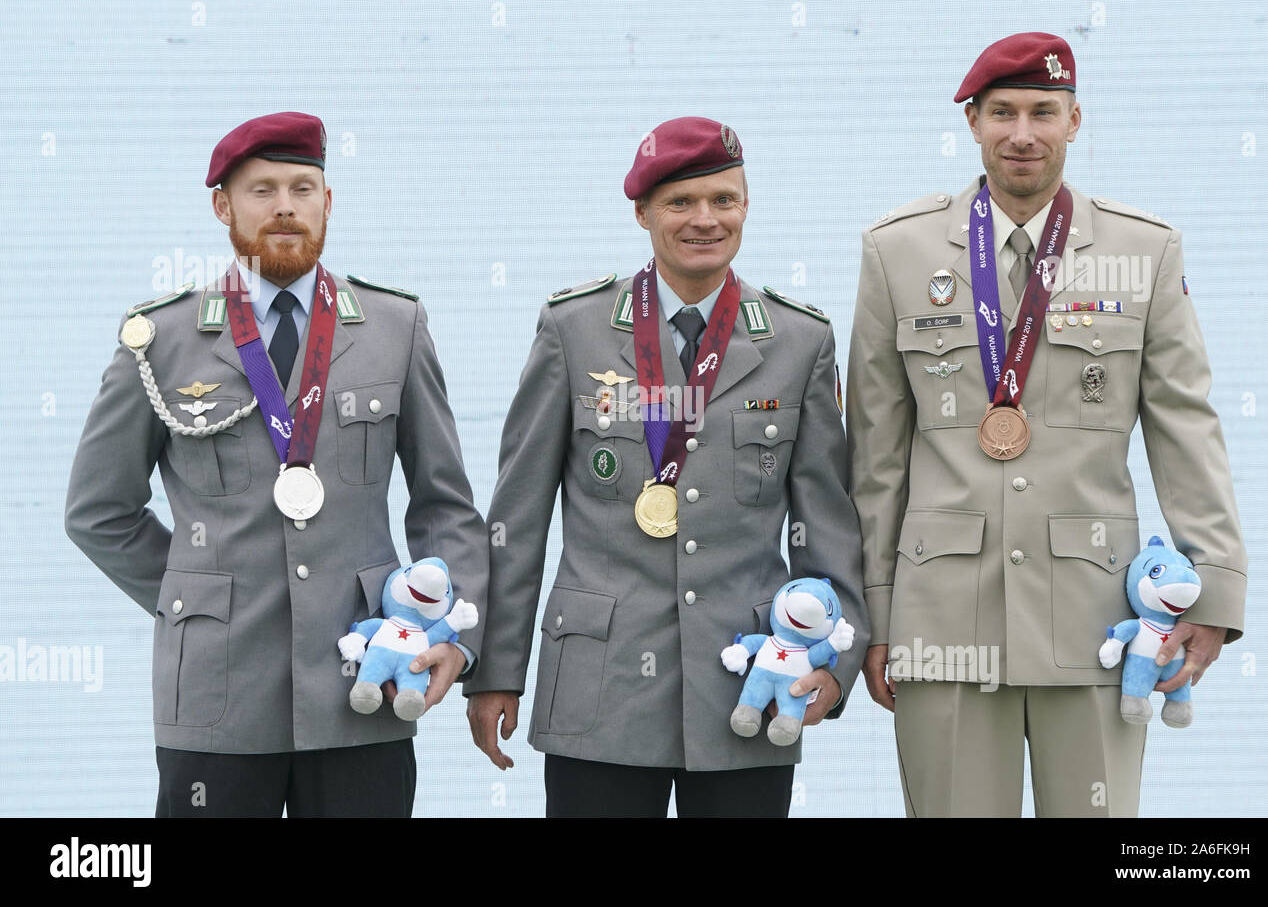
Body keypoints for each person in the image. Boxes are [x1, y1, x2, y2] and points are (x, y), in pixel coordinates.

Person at [846, 32, 1247, 817]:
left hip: (1095, 618)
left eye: (1042, 111)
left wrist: (1216, 592)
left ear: (1074, 119)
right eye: (1002, 113)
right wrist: (875, 609)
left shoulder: (1144, 249)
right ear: (972, 122)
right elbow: (876, 453)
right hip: (941, 620)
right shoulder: (898, 249)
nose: (1022, 133)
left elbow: (1184, 429)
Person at [65, 112, 488, 817]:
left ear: (329, 202)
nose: (286, 205)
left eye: (303, 186)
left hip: (364, 683)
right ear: (222, 206)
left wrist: (453, 634)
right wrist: (193, 603)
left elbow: (445, 505)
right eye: (262, 189)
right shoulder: (161, 338)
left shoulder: (395, 327)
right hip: (216, 696)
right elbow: (97, 512)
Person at [465, 117, 868, 817]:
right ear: (642, 212)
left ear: (747, 205)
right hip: (598, 686)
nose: (704, 219)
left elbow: (827, 523)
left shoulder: (801, 340)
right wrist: (495, 669)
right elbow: (518, 517)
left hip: (748, 681)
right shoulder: (574, 328)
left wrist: (836, 656)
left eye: (724, 199)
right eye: (680, 203)